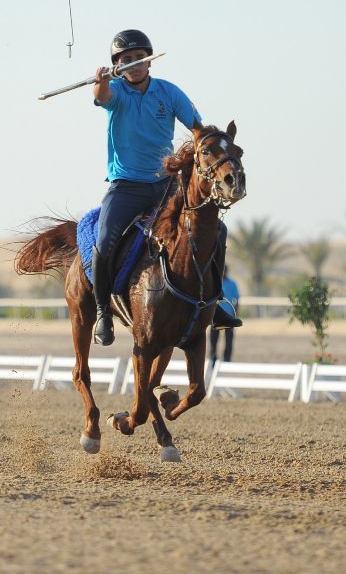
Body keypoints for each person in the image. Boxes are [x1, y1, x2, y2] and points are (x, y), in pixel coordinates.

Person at [90, 28, 241, 346]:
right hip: (126, 186)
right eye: (126, 60)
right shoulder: (115, 91)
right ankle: (104, 311)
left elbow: (198, 130)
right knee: (104, 243)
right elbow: (101, 98)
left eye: (139, 59)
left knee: (217, 232)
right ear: (117, 65)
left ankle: (215, 304)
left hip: (166, 186)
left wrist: (215, 145)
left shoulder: (169, 93)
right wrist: (101, 81)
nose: (134, 64)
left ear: (149, 62)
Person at [208, 266, 241, 368]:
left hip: (228, 315)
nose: (223, 273)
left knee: (229, 338)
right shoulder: (215, 282)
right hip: (215, 316)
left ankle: (227, 359)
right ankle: (213, 358)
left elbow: (237, 300)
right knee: (213, 338)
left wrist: (235, 314)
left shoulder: (232, 284)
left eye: (224, 271)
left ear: (227, 271)